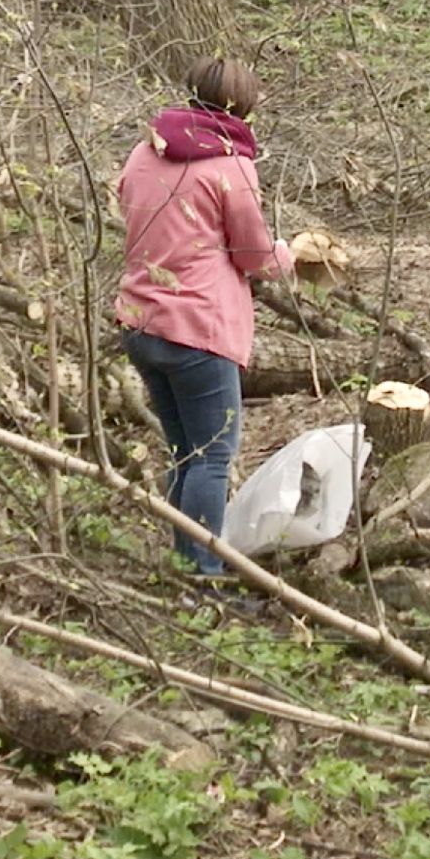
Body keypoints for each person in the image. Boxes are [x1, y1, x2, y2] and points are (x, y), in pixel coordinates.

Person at [116, 56, 293, 582]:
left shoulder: (147, 149)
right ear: (244, 107)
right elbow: (255, 256)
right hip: (198, 330)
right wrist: (291, 254)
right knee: (212, 457)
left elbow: (126, 205)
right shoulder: (231, 166)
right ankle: (203, 574)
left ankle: (184, 561)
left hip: (141, 321)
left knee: (184, 452)